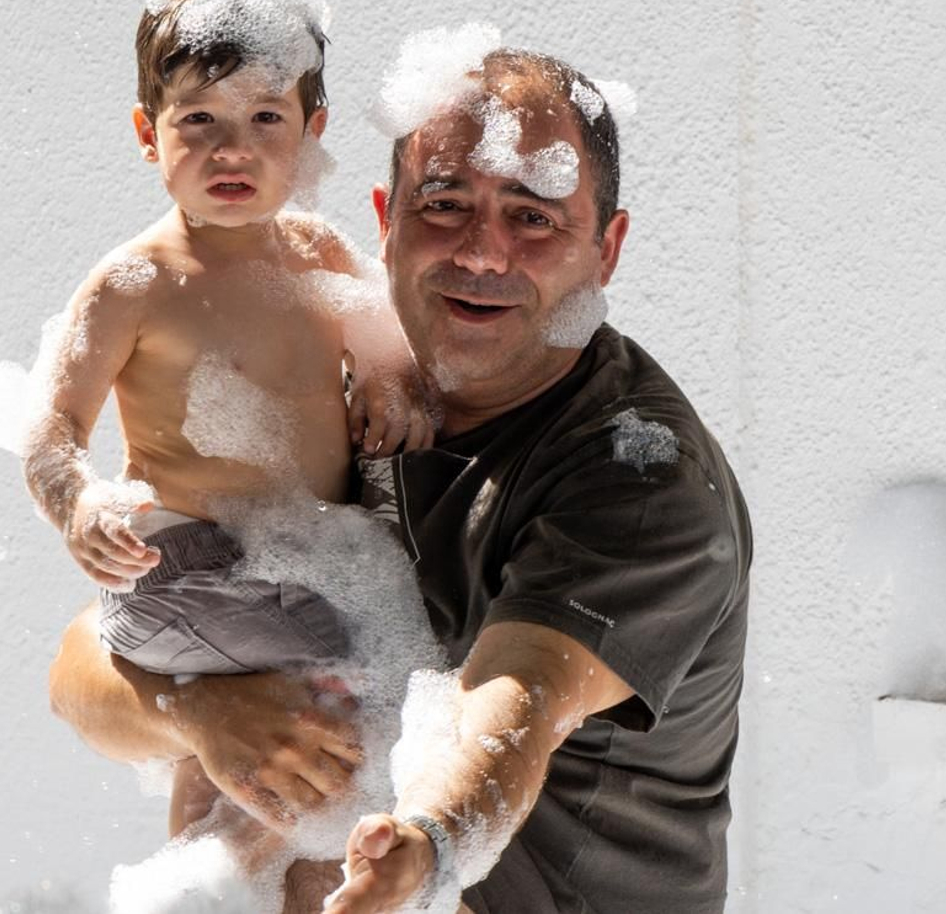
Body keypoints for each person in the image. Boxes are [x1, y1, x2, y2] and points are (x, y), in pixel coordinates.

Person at [49, 45, 753, 914]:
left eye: (534, 218)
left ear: (606, 249)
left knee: (325, 852)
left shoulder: (639, 477)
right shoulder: (333, 397)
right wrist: (203, 711)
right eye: (445, 204)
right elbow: (85, 669)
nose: (483, 253)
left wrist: (429, 850)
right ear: (385, 221)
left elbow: (512, 703)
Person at [21, 0, 431, 861]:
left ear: (313, 132)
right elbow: (51, 430)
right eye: (198, 119)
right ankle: (224, 874)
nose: (231, 149)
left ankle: (207, 879)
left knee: (246, 754)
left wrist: (394, 396)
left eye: (265, 119)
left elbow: (390, 361)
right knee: (370, 662)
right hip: (177, 569)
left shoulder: (319, 253)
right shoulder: (134, 282)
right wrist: (78, 503)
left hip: (288, 557)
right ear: (147, 131)